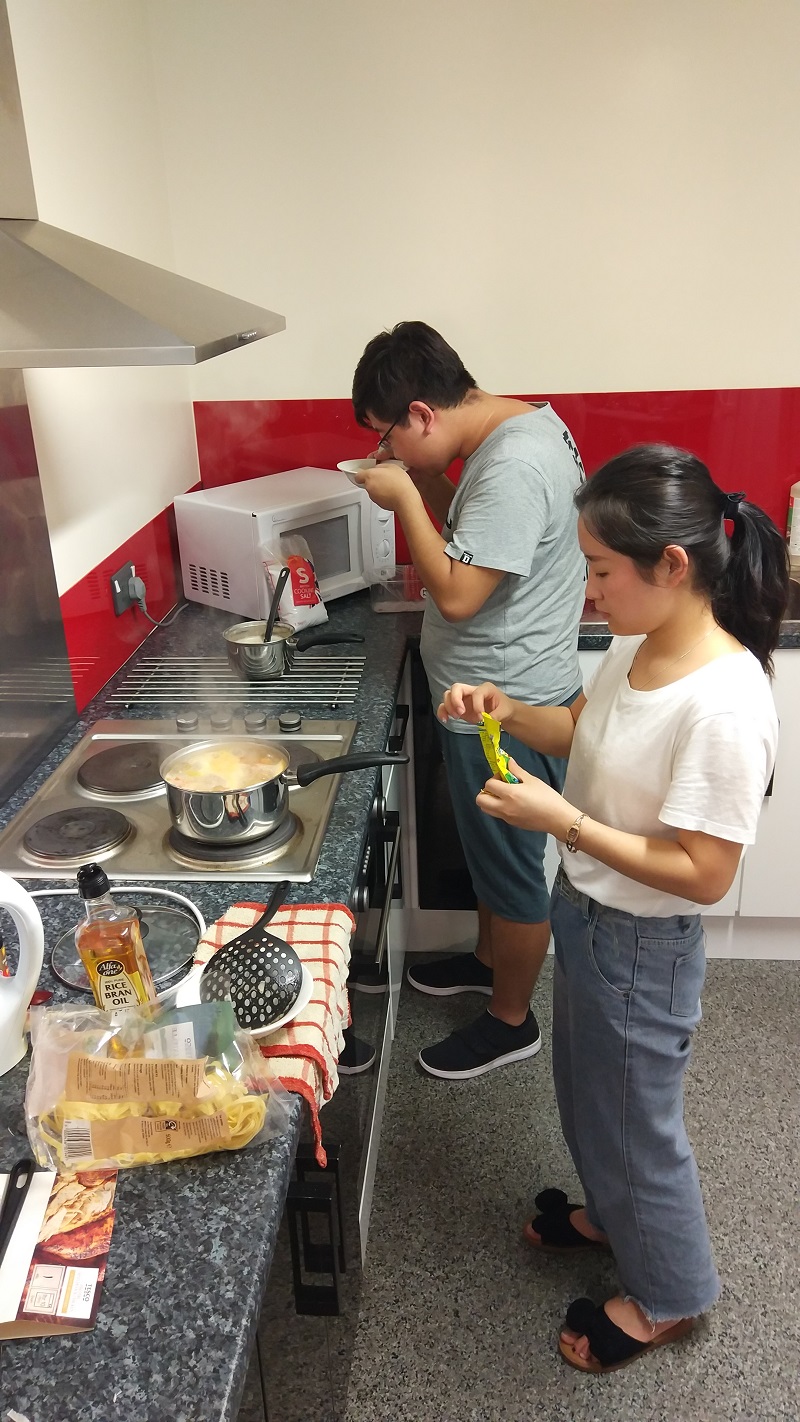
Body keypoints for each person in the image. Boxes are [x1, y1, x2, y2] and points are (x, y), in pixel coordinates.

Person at [439, 443, 789, 1371]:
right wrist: (504, 710)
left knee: (639, 1125)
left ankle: (671, 1297)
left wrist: (565, 821)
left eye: (599, 570)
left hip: (643, 945)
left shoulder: (724, 701)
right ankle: (612, 1212)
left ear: (670, 565)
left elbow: (704, 874)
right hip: (587, 918)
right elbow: (582, 729)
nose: (589, 592)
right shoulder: (642, 642)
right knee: (594, 1099)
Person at [350, 321, 586, 1079]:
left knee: (512, 871)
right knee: (491, 853)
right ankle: (489, 963)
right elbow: (480, 536)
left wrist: (400, 497)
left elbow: (457, 593)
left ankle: (512, 1021)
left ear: (421, 413)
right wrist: (419, 481)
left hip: (505, 707)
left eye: (387, 433)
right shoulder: (519, 429)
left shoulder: (513, 463)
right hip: (494, 695)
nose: (385, 449)